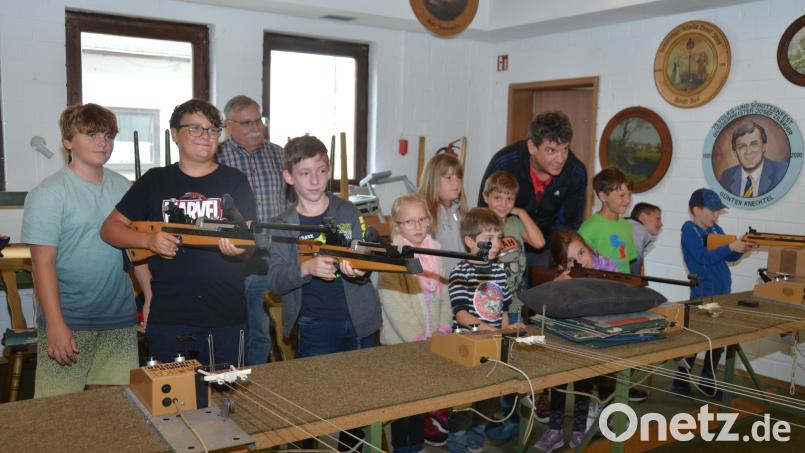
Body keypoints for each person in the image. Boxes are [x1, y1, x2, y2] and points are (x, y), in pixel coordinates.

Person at [101, 99, 256, 367]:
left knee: (228, 399)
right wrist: (148, 240)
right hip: (169, 314)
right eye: (195, 128)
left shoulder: (235, 181)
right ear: (175, 134)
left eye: (212, 130)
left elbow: (248, 241)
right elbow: (110, 229)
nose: (205, 136)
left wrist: (240, 249)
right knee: (170, 401)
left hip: (225, 314)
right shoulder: (155, 181)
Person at [22, 103, 149, 398]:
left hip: (119, 318)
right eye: (91, 135)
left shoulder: (123, 187)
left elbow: (136, 248)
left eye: (108, 135)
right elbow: (43, 265)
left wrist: (150, 296)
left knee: (112, 411)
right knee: (60, 414)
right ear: (68, 141)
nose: (102, 143)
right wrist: (55, 324)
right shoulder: (49, 194)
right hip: (69, 320)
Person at [266, 135, 380, 452]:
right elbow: (274, 282)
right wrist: (307, 268)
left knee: (359, 401)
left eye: (321, 170)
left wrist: (359, 270)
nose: (314, 180)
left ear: (329, 171)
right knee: (311, 404)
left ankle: (352, 448)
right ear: (289, 176)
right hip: (315, 325)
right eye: (304, 173)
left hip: (360, 321)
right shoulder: (282, 224)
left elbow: (367, 257)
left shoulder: (348, 212)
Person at [446, 208, 526, 453]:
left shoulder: (499, 272)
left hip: (491, 346)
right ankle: (458, 448)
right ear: (470, 241)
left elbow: (501, 309)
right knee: (463, 407)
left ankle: (476, 447)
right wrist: (486, 329)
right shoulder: (461, 272)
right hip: (465, 348)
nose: (495, 244)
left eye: (498, 238)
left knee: (487, 404)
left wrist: (506, 328)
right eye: (488, 239)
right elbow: (461, 314)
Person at [377, 194, 452, 453]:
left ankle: (418, 446)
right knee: (402, 404)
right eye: (409, 222)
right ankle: (402, 447)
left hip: (432, 339)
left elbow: (445, 295)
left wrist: (443, 329)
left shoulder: (436, 250)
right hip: (403, 343)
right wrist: (418, 338)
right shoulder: (392, 258)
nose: (418, 227)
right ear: (397, 226)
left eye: (422, 220)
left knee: (422, 397)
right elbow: (395, 305)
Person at [218, 94, 289, 366]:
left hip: (278, 253)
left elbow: (292, 202)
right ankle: (239, 381)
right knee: (244, 327)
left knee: (267, 329)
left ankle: (259, 381)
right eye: (247, 122)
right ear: (228, 126)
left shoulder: (278, 154)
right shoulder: (218, 156)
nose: (256, 127)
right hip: (237, 257)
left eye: (258, 119)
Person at [479, 171, 546, 442]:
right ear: (486, 198)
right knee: (491, 359)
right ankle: (489, 420)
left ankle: (508, 420)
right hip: (491, 305)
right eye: (498, 197)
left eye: (509, 197)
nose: (504, 202)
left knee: (512, 360)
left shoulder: (517, 223)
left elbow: (539, 242)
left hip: (516, 302)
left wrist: (520, 212)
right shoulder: (482, 222)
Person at [534, 228, 615, 452]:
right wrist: (556, 285)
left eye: (581, 253)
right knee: (558, 384)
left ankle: (580, 431)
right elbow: (540, 303)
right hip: (563, 337)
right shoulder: (562, 277)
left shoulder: (606, 270)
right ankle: (555, 430)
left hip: (590, 339)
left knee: (584, 385)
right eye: (570, 260)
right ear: (561, 265)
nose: (580, 261)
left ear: (588, 248)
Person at [478, 110, 587, 266]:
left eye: (565, 149)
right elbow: (483, 215)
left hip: (547, 250)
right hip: (503, 247)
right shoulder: (505, 163)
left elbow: (568, 228)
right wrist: (482, 262)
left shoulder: (576, 173)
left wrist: (558, 267)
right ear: (532, 147)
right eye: (551, 150)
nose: (561, 159)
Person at [672, 188, 753, 397]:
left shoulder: (716, 229)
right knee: (695, 338)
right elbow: (703, 258)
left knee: (717, 339)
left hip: (722, 291)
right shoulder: (689, 230)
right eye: (712, 211)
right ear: (696, 210)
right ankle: (681, 379)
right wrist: (730, 247)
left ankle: (708, 378)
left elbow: (728, 258)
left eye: (718, 211)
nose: (716, 215)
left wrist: (740, 249)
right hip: (702, 293)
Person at [578, 167, 636, 273]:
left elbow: (628, 262)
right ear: (603, 196)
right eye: (621, 195)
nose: (627, 200)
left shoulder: (626, 226)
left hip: (623, 287)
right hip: (600, 287)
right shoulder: (589, 229)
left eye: (629, 194)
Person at [420, 152, 467, 275]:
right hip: (439, 284)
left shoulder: (460, 211)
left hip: (460, 281)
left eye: (459, 177)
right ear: (433, 180)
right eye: (449, 177)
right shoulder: (426, 213)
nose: (456, 183)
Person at [718, 121, 788, 198]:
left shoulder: (783, 171)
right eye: (742, 146)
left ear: (764, 147)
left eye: (754, 144)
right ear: (735, 153)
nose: (748, 151)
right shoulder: (726, 177)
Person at [628, 202, 663, 274]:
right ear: (643, 218)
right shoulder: (638, 230)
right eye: (658, 218)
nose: (661, 223)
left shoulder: (630, 228)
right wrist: (636, 281)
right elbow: (634, 262)